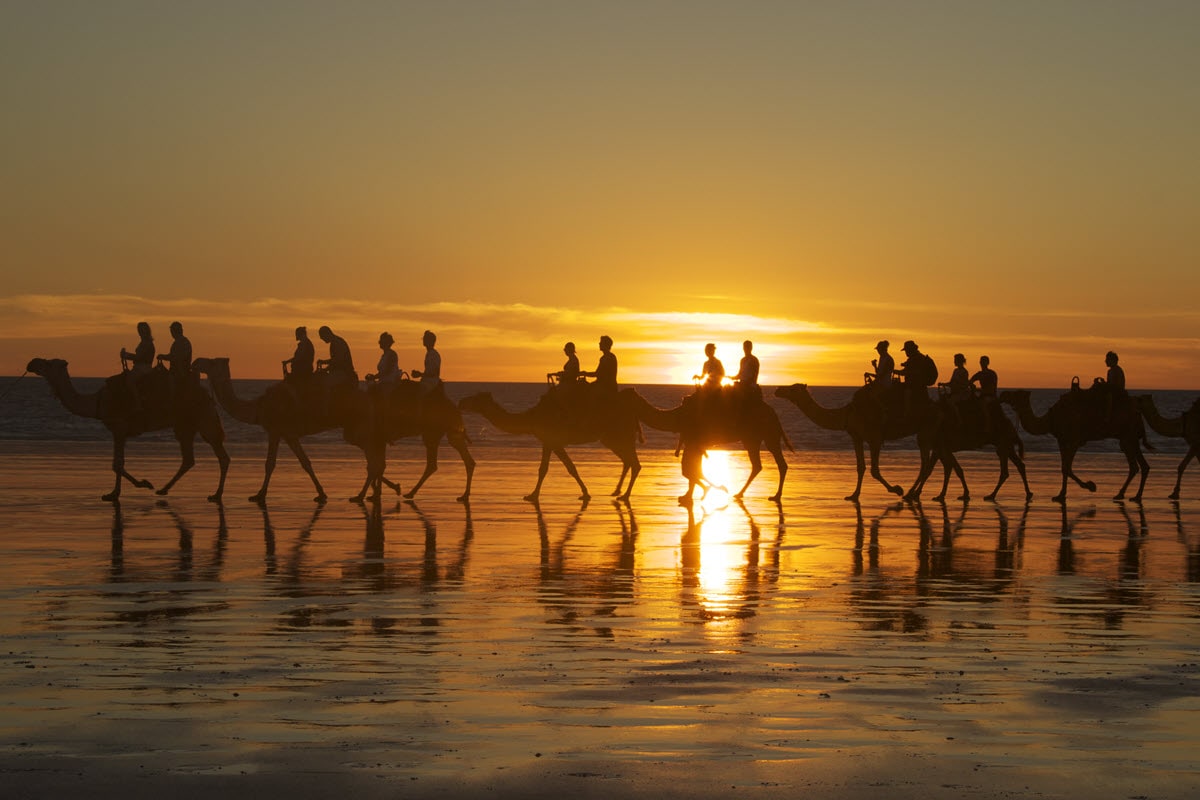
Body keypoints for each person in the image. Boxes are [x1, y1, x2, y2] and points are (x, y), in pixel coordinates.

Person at [120, 322, 155, 412]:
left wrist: (126, 355)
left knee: (129, 381)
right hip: (140, 367)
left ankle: (138, 403)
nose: (140, 332)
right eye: (139, 330)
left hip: (143, 368)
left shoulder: (146, 343)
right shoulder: (144, 342)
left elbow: (138, 357)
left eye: (142, 330)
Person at [157, 321, 193, 392]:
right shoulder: (180, 341)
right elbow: (173, 356)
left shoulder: (181, 342)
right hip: (178, 370)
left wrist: (163, 357)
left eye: (172, 331)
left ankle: (171, 397)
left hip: (180, 371)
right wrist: (163, 356)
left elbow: (175, 357)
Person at [970, 355, 999, 434]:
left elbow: (991, 389)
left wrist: (978, 390)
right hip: (982, 395)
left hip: (990, 396)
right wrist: (971, 386)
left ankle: (988, 426)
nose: (982, 363)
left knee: (983, 405)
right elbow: (970, 381)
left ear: (988, 363)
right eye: (981, 361)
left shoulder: (991, 374)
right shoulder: (979, 374)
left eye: (984, 362)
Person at [411, 330, 442, 395]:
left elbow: (434, 372)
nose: (423, 340)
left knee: (419, 393)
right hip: (427, 381)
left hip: (431, 382)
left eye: (425, 339)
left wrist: (420, 374)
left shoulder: (434, 354)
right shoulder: (429, 353)